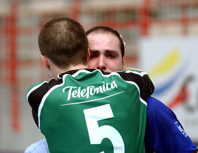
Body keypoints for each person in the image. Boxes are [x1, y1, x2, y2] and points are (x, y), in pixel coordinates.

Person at [25, 25, 198, 153]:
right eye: (93, 55)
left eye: (111, 55)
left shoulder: (150, 111)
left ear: (123, 64)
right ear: (83, 58)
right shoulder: (59, 110)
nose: (101, 64)